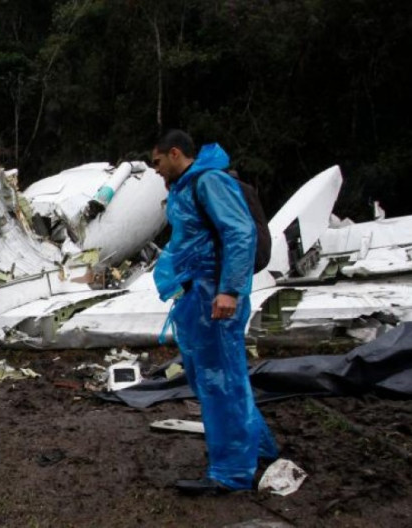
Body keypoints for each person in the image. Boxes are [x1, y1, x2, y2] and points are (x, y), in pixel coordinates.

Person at [150, 130, 278, 494]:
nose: (156, 170)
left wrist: (228, 290)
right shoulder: (186, 187)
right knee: (212, 375)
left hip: (214, 294)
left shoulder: (208, 182)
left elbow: (239, 232)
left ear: (175, 154)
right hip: (198, 293)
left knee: (221, 380)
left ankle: (231, 474)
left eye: (157, 162)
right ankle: (259, 448)